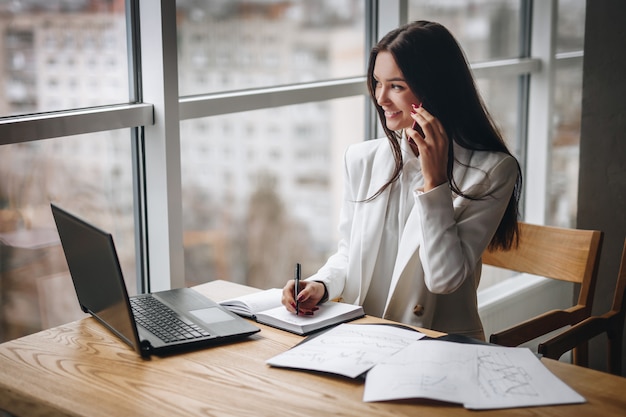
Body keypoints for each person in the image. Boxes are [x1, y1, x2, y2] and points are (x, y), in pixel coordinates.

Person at [281, 20, 522, 340]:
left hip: (437, 346)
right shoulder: (361, 159)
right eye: (377, 82)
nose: (381, 98)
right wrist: (322, 285)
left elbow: (444, 279)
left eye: (396, 85)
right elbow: (349, 253)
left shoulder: (492, 171)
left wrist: (435, 183)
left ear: (436, 88)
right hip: (360, 338)